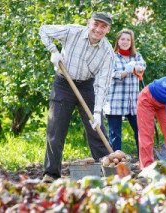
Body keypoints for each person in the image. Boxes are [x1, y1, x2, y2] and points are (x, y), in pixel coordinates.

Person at [39, 12, 115, 183]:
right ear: (89, 23)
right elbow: (44, 30)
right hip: (63, 83)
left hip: (87, 86)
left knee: (96, 129)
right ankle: (51, 174)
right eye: (96, 24)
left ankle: (107, 169)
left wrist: (97, 112)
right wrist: (53, 51)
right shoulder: (72, 31)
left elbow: (102, 84)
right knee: (55, 130)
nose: (98, 29)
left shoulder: (107, 53)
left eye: (103, 27)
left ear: (108, 30)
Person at [105, 29, 146, 156]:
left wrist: (138, 67)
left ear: (131, 42)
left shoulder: (136, 56)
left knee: (140, 131)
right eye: (122, 39)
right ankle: (117, 164)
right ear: (118, 40)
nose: (125, 42)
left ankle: (143, 161)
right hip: (115, 101)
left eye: (128, 39)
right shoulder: (111, 56)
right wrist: (126, 71)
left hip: (133, 101)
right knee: (115, 135)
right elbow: (109, 74)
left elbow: (142, 66)